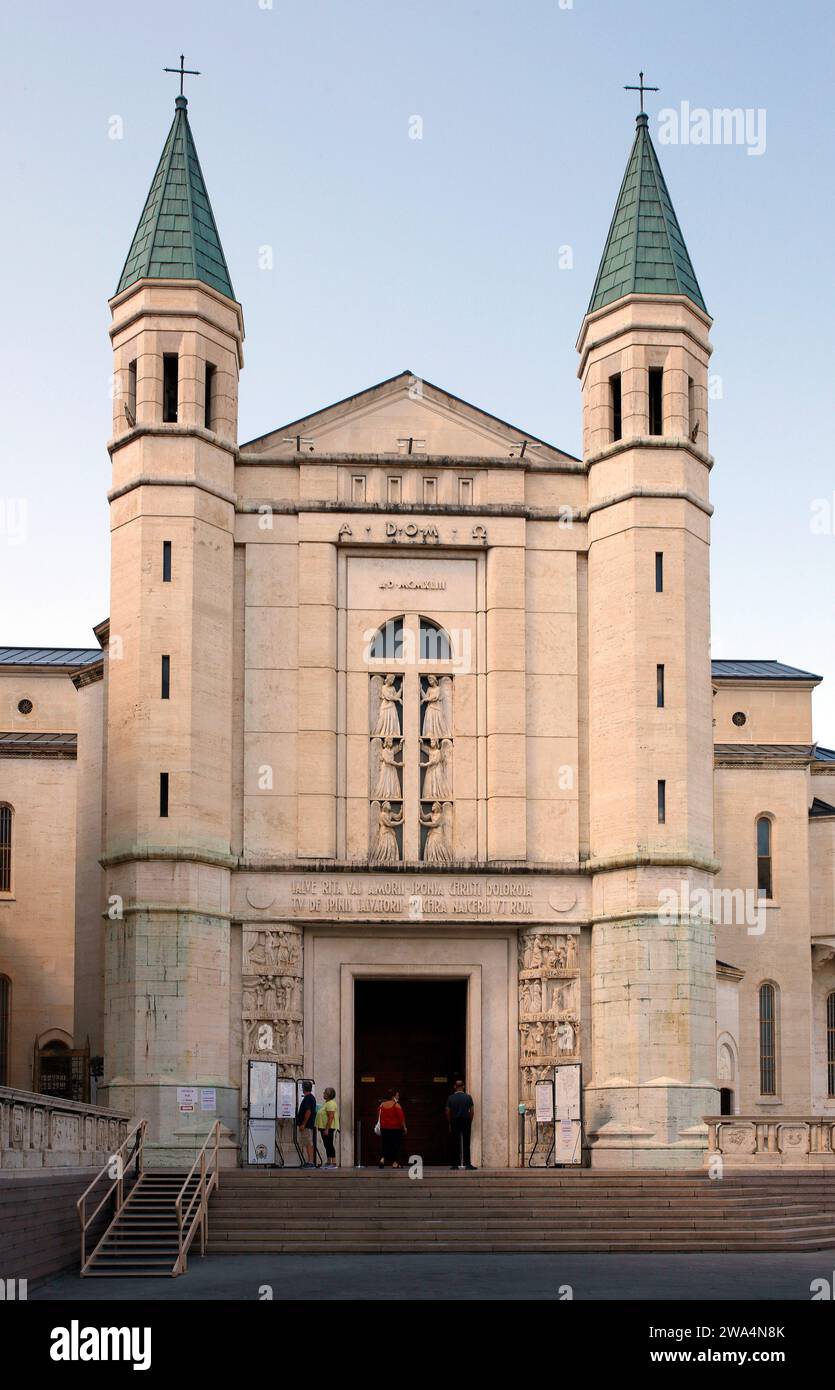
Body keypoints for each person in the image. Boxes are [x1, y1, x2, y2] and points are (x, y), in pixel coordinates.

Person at [446, 1079, 476, 1169]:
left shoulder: (450, 1098)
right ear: (463, 1086)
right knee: (466, 1143)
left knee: (455, 1143)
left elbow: (447, 1111)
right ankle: (467, 1164)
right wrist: (469, 1120)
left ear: (455, 1087)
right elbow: (472, 1111)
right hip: (466, 1121)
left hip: (455, 1121)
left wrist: (450, 1122)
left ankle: (455, 1164)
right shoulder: (468, 1097)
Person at [377, 1088, 406, 1168]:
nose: (398, 1097)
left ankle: (382, 1159)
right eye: (397, 1095)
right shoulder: (396, 1105)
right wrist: (404, 1127)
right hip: (395, 1128)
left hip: (384, 1128)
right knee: (396, 1145)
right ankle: (395, 1163)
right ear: (393, 1097)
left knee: (385, 1144)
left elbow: (378, 1115)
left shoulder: (382, 1105)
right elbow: (401, 1118)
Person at [315, 1087, 340, 1169]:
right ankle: (329, 1162)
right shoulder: (326, 1103)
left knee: (329, 1144)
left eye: (325, 1092)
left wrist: (327, 1129)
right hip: (324, 1127)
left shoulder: (331, 1104)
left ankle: (333, 1162)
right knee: (326, 1144)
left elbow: (331, 1117)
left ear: (329, 1094)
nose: (323, 1093)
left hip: (328, 1128)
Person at [296, 1081, 317, 1167]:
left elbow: (308, 1111)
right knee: (307, 1143)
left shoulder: (308, 1098)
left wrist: (303, 1124)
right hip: (308, 1125)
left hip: (307, 1125)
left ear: (303, 1088)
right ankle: (310, 1161)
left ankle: (310, 1162)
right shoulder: (310, 1097)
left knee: (308, 1143)